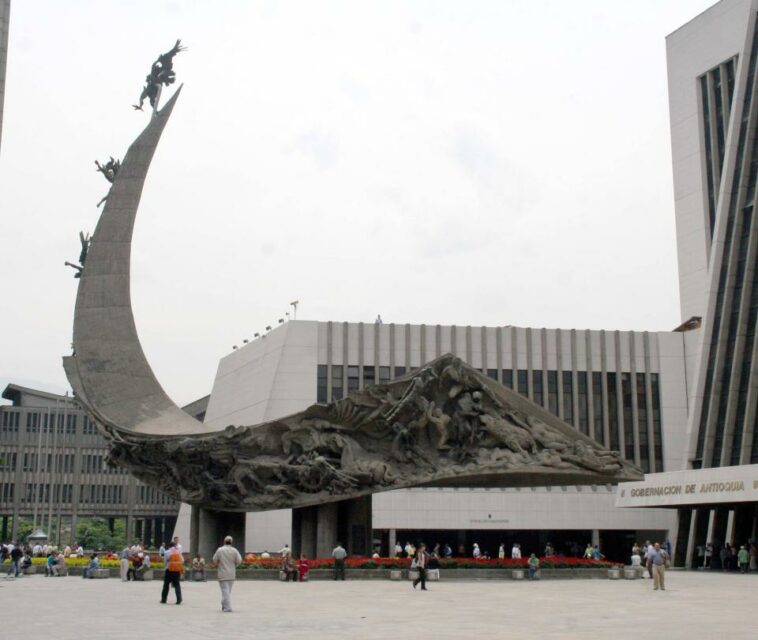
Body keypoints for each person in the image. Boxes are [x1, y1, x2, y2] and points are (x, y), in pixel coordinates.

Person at [213, 535, 242, 613]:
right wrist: (234, 565)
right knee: (228, 591)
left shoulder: (220, 550)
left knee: (225, 591)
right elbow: (239, 560)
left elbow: (214, 560)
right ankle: (224, 603)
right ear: (231, 542)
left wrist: (219, 563)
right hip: (232, 573)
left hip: (222, 573)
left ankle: (227, 607)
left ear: (224, 541)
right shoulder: (235, 550)